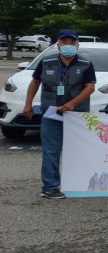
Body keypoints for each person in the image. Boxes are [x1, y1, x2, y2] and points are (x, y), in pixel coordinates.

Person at [23, 30, 96, 199]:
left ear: (77, 45)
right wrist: (28, 104)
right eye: (64, 42)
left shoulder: (86, 64)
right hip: (52, 113)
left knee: (78, 151)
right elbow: (35, 82)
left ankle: (79, 183)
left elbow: (90, 87)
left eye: (72, 42)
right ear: (58, 45)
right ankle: (50, 187)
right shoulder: (46, 62)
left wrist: (72, 104)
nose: (68, 45)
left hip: (77, 115)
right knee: (51, 151)